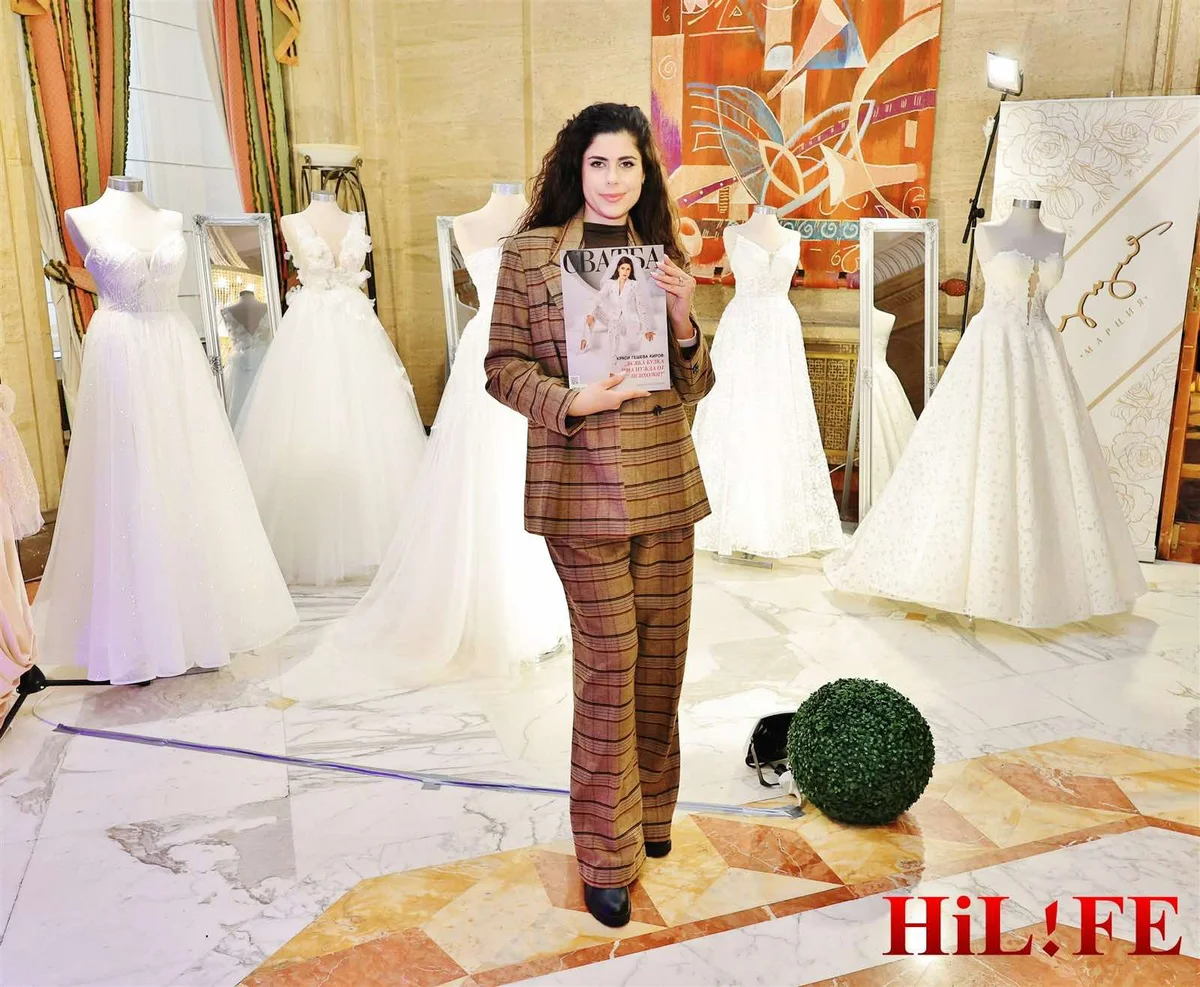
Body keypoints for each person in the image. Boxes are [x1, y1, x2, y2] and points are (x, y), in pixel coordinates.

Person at [485, 102, 715, 929]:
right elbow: (500, 366)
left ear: (645, 174)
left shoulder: (661, 254)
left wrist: (685, 322)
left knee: (662, 662)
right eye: (598, 163)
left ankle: (650, 813)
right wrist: (571, 400)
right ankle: (605, 855)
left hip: (665, 485)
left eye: (628, 164)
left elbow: (696, 384)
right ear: (574, 169)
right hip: (581, 489)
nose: (613, 179)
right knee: (612, 665)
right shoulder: (531, 256)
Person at [583, 255, 653, 357]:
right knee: (594, 310)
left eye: (628, 269)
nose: (625, 271)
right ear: (618, 269)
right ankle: (585, 339)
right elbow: (598, 297)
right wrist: (590, 314)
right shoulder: (610, 284)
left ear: (631, 271)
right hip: (612, 319)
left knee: (614, 324)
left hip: (628, 323)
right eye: (623, 268)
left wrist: (647, 329)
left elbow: (641, 307)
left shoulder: (634, 285)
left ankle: (613, 359)